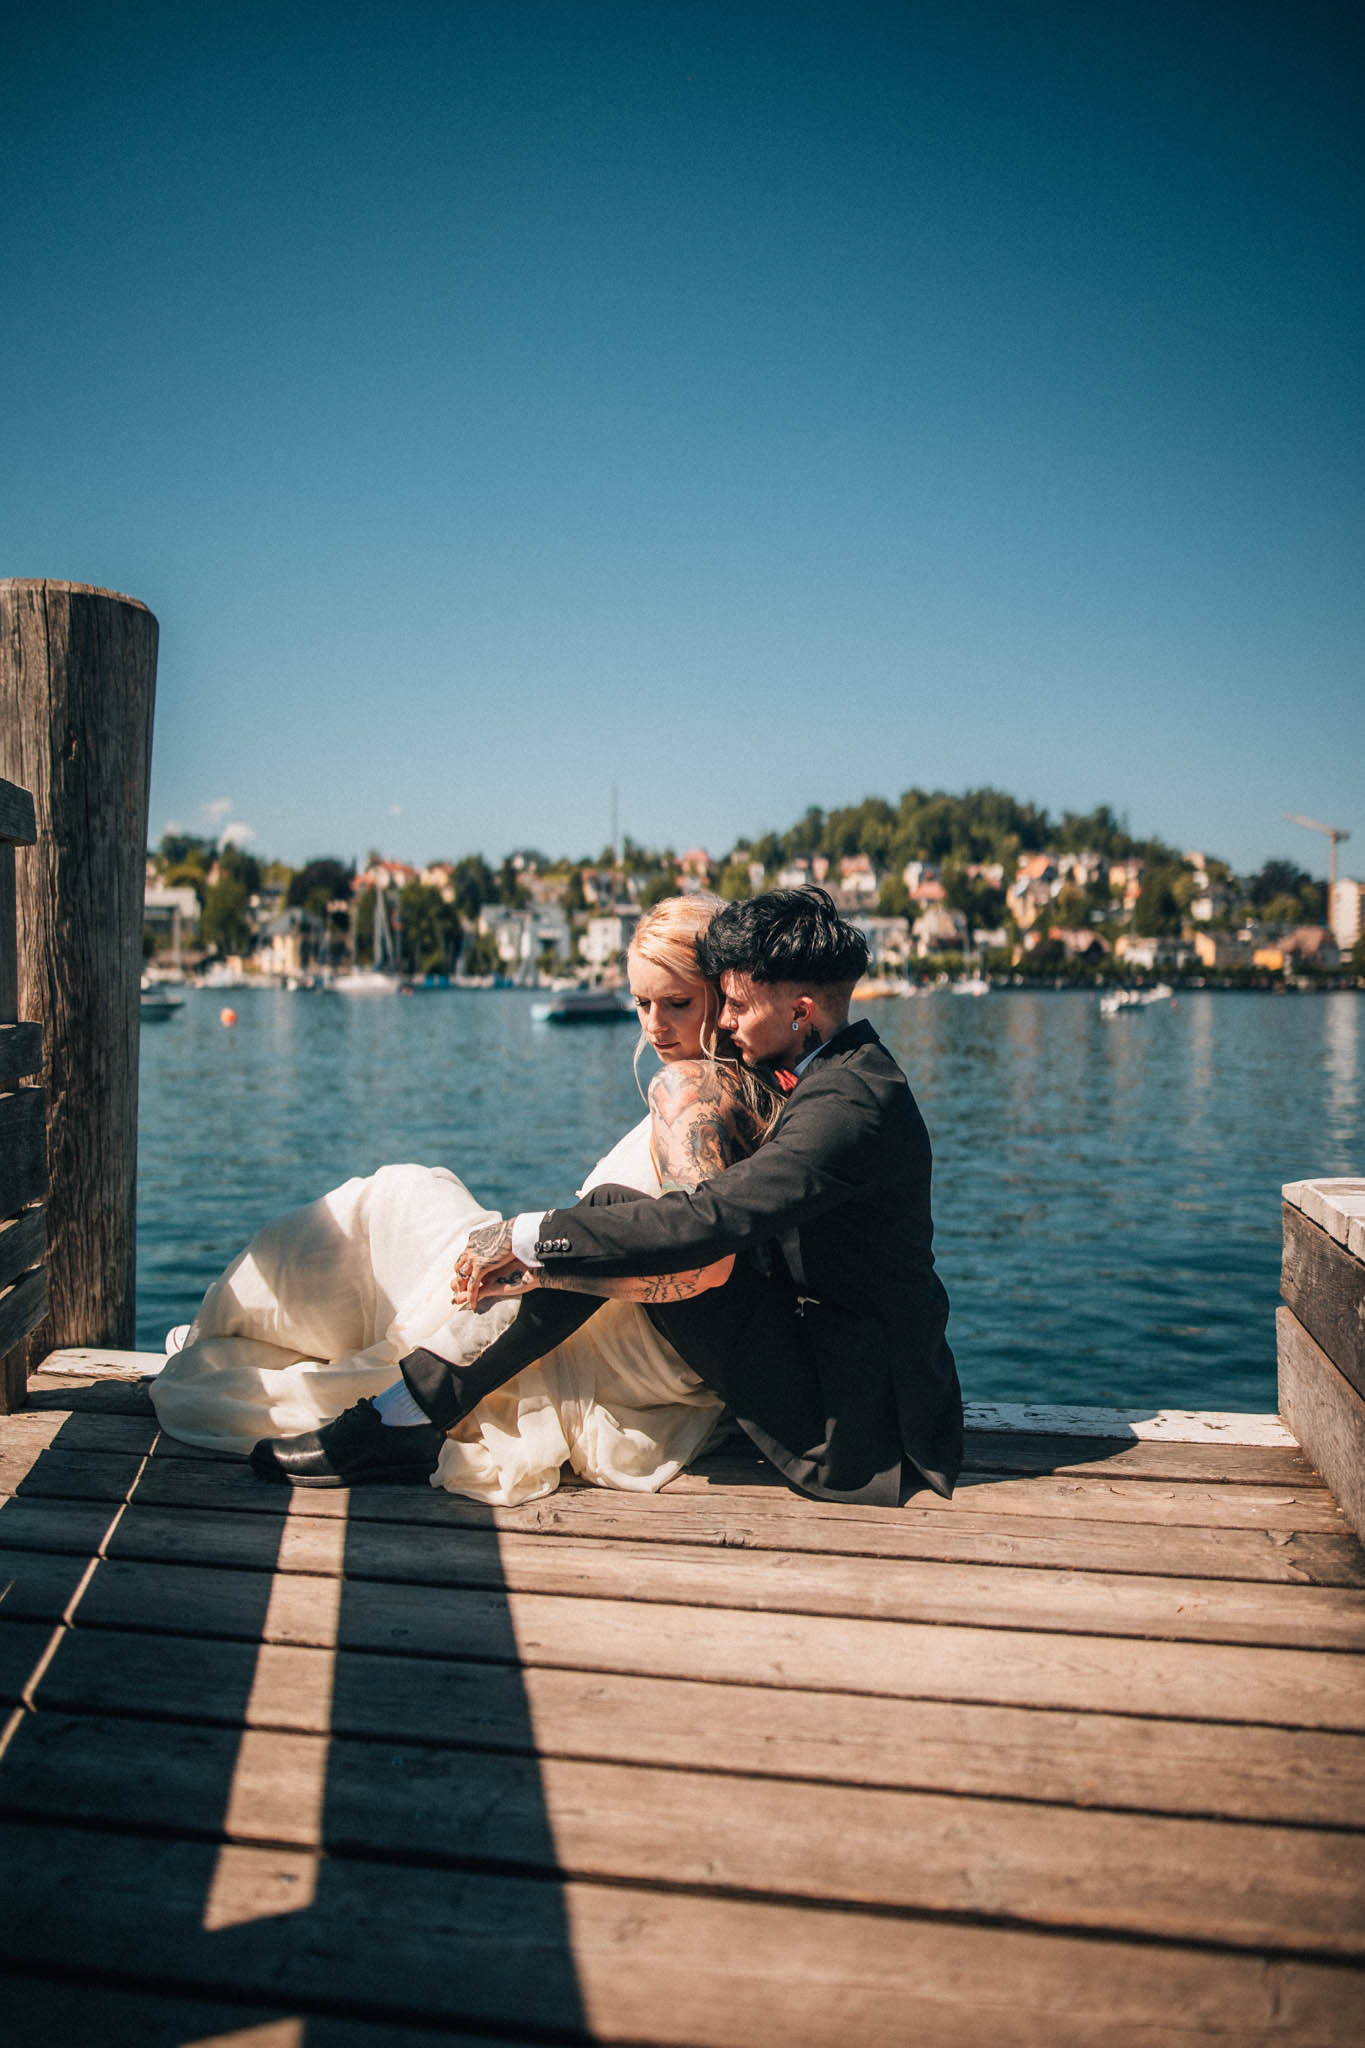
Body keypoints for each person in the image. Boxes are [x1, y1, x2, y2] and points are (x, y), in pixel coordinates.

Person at [259, 887, 962, 1507]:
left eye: (736, 1007)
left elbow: (710, 1221)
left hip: (853, 1430)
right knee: (596, 1219)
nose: (727, 1025)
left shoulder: (850, 1105)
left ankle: (404, 1417)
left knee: (598, 1218)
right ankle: (406, 1414)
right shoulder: (836, 1071)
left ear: (802, 1012)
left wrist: (529, 1238)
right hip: (827, 1358)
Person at [153, 896, 776, 1506]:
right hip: (615, 1330)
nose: (654, 1025)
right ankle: (229, 1338)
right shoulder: (751, 1088)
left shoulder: (687, 1090)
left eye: (677, 1003)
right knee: (407, 1204)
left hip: (598, 1336)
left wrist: (544, 1265)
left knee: (393, 1202)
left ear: (722, 995)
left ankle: (227, 1336)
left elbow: (699, 1258)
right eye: (641, 1003)